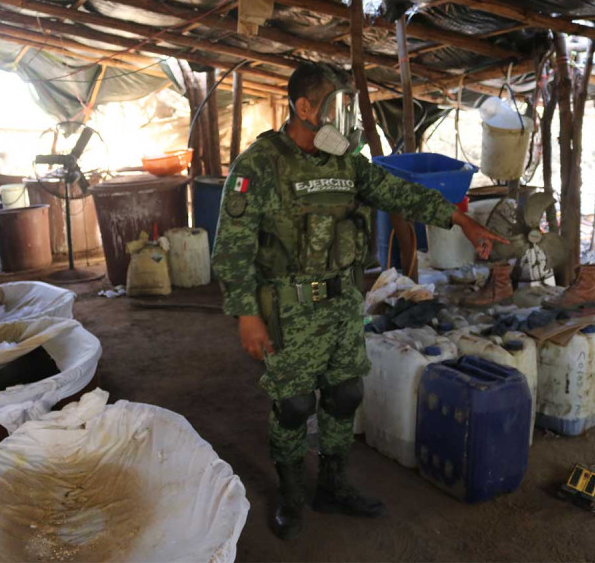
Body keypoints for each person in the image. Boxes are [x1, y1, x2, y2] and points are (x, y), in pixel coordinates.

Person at [212, 62, 506, 540]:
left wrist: (461, 220)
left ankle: (333, 485)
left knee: (345, 393)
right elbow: (232, 248)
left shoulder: (347, 164)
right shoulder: (260, 165)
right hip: (289, 308)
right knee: (293, 404)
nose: (343, 120)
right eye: (335, 107)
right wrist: (247, 314)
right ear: (304, 107)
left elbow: (398, 192)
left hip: (342, 303)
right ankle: (291, 492)